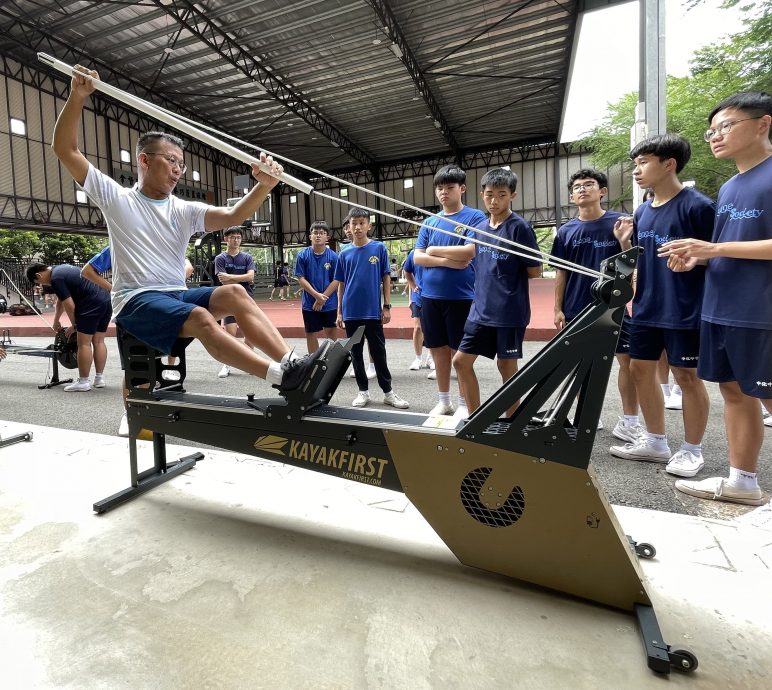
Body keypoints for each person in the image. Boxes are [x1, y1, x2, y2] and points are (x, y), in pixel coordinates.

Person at [51, 64, 323, 397]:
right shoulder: (117, 198)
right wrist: (78, 96)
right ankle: (282, 378)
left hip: (175, 295)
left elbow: (234, 213)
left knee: (236, 294)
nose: (179, 170)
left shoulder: (183, 209)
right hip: (136, 300)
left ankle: (291, 363)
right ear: (144, 160)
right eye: (171, 160)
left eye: (182, 163)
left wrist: (264, 186)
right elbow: (65, 149)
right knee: (198, 318)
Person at [658, 91, 771, 514]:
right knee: (733, 391)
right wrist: (697, 258)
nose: (715, 136)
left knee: (766, 396)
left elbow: (726, 248)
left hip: (760, 309)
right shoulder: (729, 185)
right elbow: (726, 245)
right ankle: (743, 481)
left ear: (763, 123)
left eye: (727, 126)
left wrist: (716, 251)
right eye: (712, 130)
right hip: (721, 305)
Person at [609, 134, 715, 478]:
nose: (636, 170)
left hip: (685, 308)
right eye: (635, 163)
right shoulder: (642, 211)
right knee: (641, 371)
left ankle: (692, 449)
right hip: (646, 308)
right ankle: (656, 441)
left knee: (686, 376)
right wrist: (627, 249)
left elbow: (718, 257)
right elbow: (642, 260)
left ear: (669, 164)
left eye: (643, 163)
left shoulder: (697, 206)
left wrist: (695, 260)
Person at [550, 168, 639, 440]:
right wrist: (557, 307)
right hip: (578, 308)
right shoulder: (565, 231)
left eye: (589, 185)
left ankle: (630, 421)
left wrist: (624, 242)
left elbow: (632, 262)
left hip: (613, 306)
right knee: (579, 365)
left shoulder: (619, 223)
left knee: (628, 362)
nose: (582, 189)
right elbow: (560, 273)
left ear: (602, 191)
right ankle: (588, 414)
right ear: (571, 195)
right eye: (577, 187)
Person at [453, 168, 541, 416]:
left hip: (509, 311)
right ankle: (474, 419)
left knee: (506, 365)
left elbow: (535, 271)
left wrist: (506, 270)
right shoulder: (479, 228)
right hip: (480, 310)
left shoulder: (519, 228)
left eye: (501, 195)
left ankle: (511, 421)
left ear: (512, 195)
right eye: (489, 195)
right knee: (460, 362)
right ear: (482, 195)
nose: (494, 201)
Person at [414, 165, 487, 416]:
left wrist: (432, 251)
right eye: (440, 188)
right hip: (430, 297)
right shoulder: (430, 221)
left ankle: (465, 403)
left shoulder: (475, 217)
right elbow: (417, 258)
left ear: (462, 189)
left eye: (449, 187)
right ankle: (444, 400)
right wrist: (446, 260)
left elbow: (469, 252)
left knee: (460, 354)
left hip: (462, 297)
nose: (444, 192)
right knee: (437, 350)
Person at [333, 208, 409, 409]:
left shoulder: (379, 249)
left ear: (369, 225)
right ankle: (363, 392)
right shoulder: (344, 253)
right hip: (351, 312)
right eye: (353, 223)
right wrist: (339, 311)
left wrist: (387, 306)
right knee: (356, 354)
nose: (357, 227)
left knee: (378, 352)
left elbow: (385, 277)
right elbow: (341, 284)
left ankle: (388, 393)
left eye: (361, 223)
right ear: (348, 227)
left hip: (372, 312)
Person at [26, 262, 111, 392]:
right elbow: (61, 300)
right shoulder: (62, 269)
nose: (42, 285)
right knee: (99, 341)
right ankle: (99, 379)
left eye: (39, 282)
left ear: (38, 275)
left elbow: (69, 306)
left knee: (84, 344)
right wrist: (56, 321)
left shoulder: (56, 279)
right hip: (105, 300)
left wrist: (75, 325)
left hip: (90, 304)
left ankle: (83, 382)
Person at [214, 227, 258, 378]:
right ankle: (226, 364)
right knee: (230, 334)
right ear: (226, 239)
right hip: (229, 301)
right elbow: (222, 280)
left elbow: (251, 277)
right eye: (233, 237)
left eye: (238, 237)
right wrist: (242, 277)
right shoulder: (220, 258)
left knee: (250, 333)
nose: (236, 240)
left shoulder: (247, 257)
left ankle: (249, 363)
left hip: (247, 299)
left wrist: (231, 277)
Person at [294, 221, 340, 353]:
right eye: (315, 233)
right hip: (309, 303)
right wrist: (316, 296)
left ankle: (332, 364)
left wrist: (322, 298)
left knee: (331, 333)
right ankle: (314, 364)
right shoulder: (302, 255)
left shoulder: (333, 256)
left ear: (327, 237)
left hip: (329, 302)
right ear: (310, 236)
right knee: (311, 333)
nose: (318, 235)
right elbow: (301, 278)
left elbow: (336, 280)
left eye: (322, 233)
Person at [401, 248, 433, 371]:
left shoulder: (436, 250)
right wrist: (413, 288)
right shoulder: (414, 253)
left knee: (432, 328)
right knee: (418, 327)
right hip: (418, 297)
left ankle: (430, 358)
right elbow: (407, 271)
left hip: (433, 295)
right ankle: (418, 358)